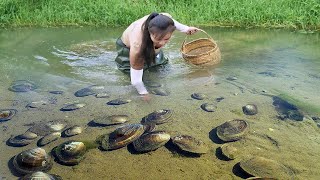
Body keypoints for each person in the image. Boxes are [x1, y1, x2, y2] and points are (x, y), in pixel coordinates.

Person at [115, 12, 199, 96]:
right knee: (135, 74)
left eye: (166, 39)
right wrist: (143, 93)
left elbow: (172, 23)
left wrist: (186, 29)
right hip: (127, 47)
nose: (162, 43)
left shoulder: (164, 19)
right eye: (158, 39)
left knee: (160, 66)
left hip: (149, 42)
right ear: (150, 33)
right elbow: (135, 80)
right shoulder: (138, 46)